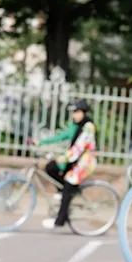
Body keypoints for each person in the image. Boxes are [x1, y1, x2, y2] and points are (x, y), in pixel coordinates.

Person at [35, 99, 98, 230]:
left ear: (84, 113)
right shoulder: (76, 126)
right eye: (73, 112)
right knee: (51, 167)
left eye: (77, 112)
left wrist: (63, 158)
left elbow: (79, 147)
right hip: (75, 161)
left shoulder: (88, 127)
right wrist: (42, 143)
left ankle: (60, 220)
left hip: (84, 163)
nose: (74, 115)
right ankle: (63, 193)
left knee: (69, 184)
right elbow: (60, 136)